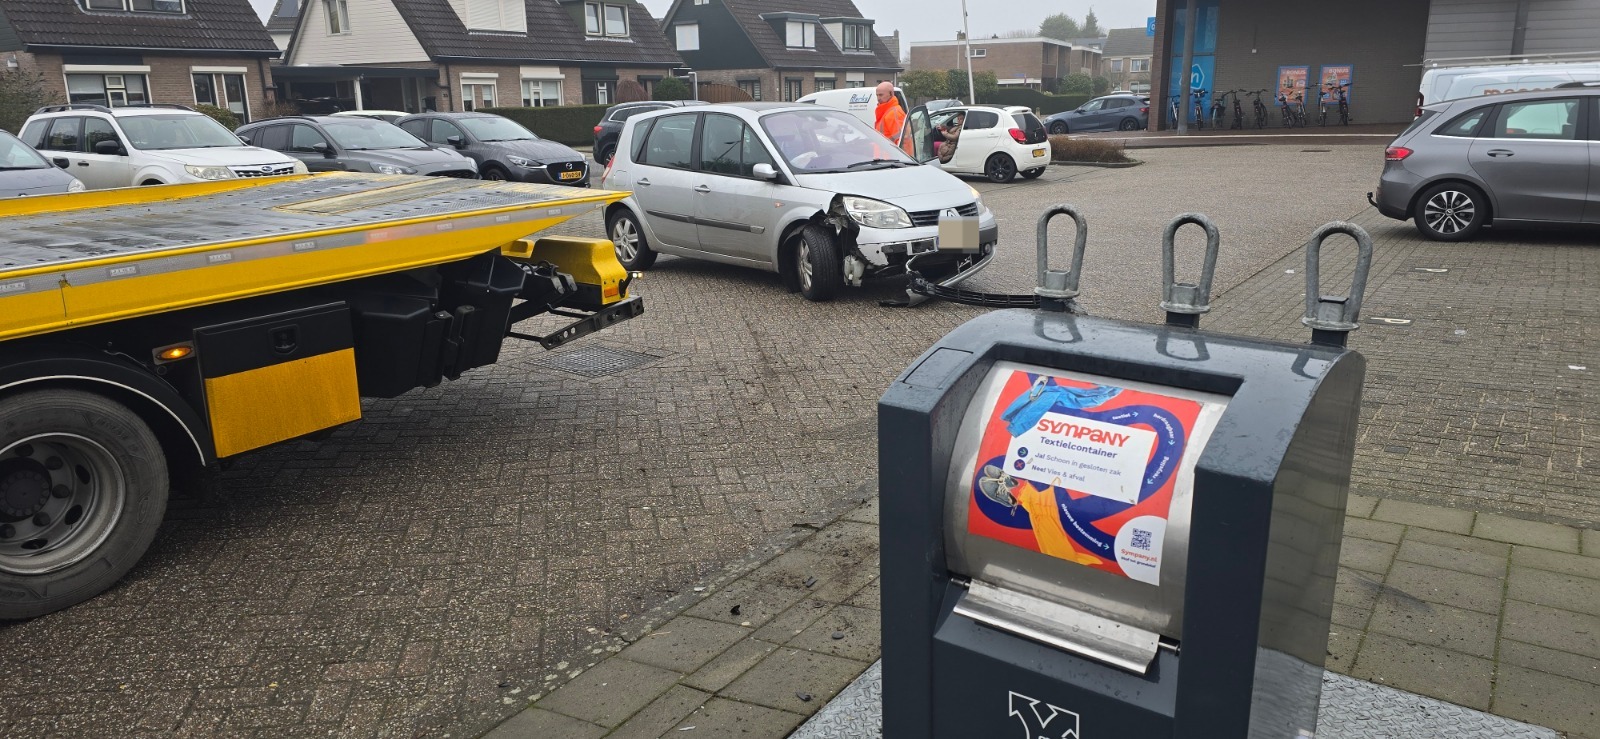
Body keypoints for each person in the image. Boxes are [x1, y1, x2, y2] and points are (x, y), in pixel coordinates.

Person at [872, 81, 906, 148]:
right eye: (877, 95)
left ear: (891, 93)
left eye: (881, 95)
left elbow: (903, 142)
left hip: (890, 157)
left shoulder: (894, 113)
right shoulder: (886, 111)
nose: (878, 98)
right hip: (885, 156)